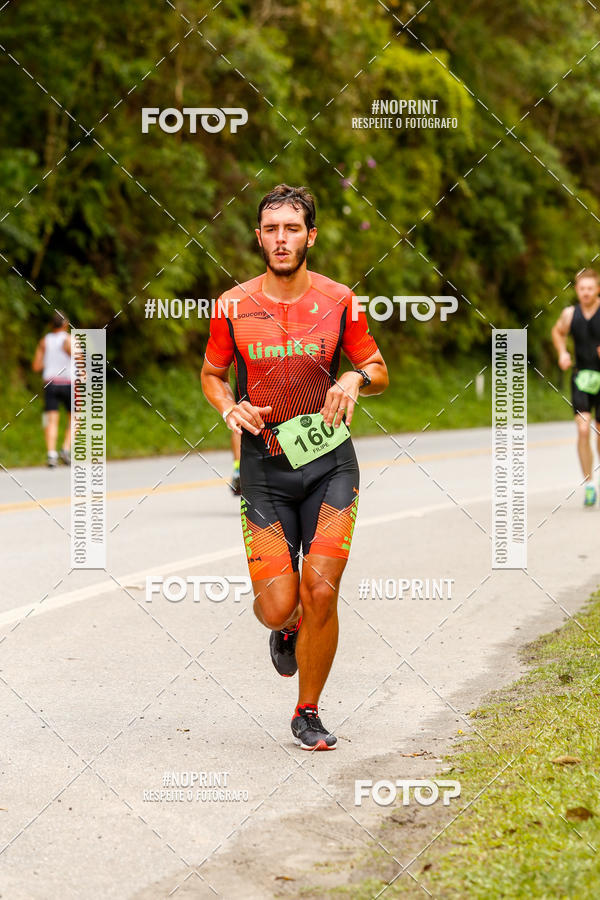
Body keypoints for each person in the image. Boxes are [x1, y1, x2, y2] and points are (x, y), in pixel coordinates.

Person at [201, 185, 388, 750]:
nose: (281, 239)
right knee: (281, 604)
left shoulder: (340, 301)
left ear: (311, 235)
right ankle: (285, 628)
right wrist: (227, 405)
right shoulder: (232, 305)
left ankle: (307, 711)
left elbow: (378, 368)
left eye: (292, 228)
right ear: (258, 237)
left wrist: (354, 377)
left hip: (332, 465)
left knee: (321, 592)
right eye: (271, 229)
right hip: (264, 469)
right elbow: (211, 375)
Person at [552, 268, 600, 506]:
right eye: (582, 289)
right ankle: (589, 484)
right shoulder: (570, 314)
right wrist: (562, 353)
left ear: (597, 289)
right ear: (577, 290)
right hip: (581, 377)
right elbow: (557, 332)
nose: (586, 293)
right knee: (583, 430)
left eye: (590, 288)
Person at [32, 310, 73, 468]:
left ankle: (51, 454)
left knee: (51, 420)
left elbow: (36, 366)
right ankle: (65, 449)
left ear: (51, 325)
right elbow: (80, 360)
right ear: (66, 325)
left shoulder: (44, 341)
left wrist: (49, 362)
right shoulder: (70, 340)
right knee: (75, 418)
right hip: (68, 383)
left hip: (50, 383)